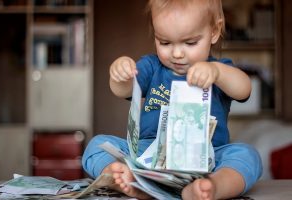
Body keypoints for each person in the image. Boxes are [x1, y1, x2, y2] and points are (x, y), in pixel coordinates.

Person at [82, 0, 263, 199]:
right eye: (165, 43)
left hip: (209, 157)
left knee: (248, 155)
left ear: (214, 32)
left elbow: (244, 89)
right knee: (96, 144)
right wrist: (120, 73)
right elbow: (123, 90)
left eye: (190, 42)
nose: (177, 53)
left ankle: (211, 187)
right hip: (148, 154)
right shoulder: (152, 66)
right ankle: (123, 178)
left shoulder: (220, 69)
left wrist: (218, 72)